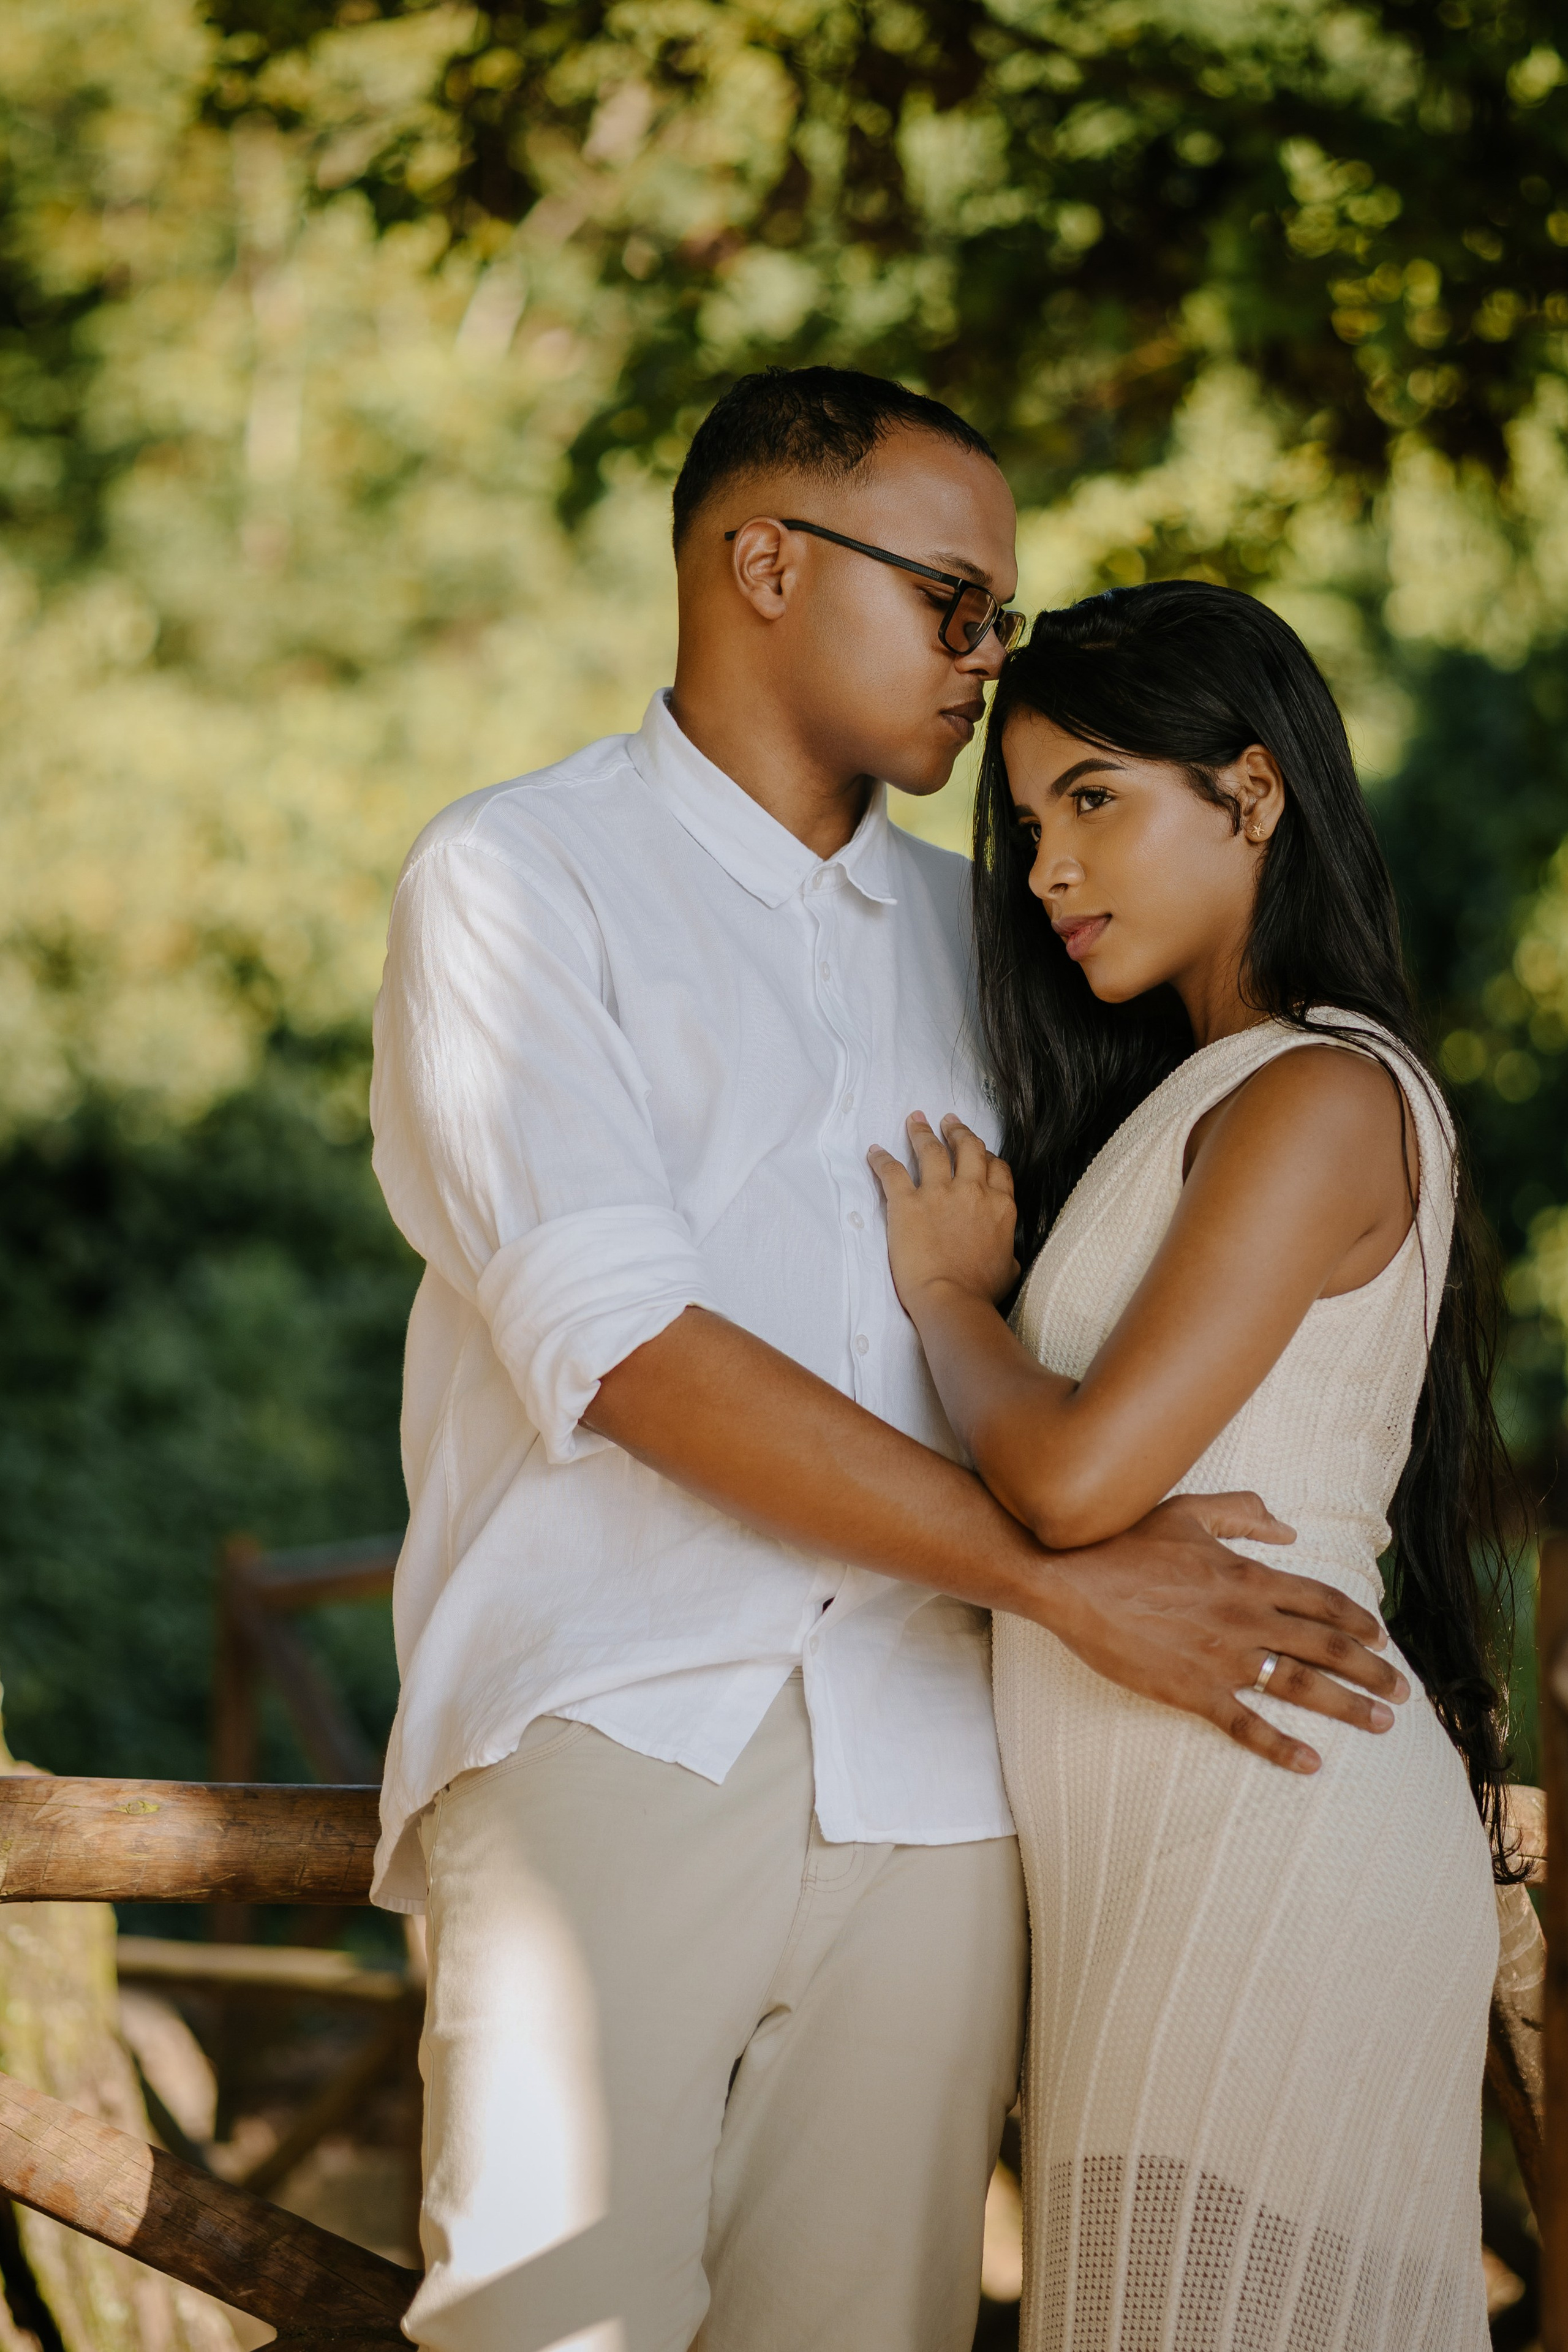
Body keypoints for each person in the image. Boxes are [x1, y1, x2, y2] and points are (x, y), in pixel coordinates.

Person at [368, 371, 1405, 2352]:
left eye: (1000, 616)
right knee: (545, 2331)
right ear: (765, 563)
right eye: (955, 602)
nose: (989, 661)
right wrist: (1061, 1579)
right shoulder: (519, 880)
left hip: (951, 1781)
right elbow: (630, 1354)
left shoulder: (1012, 934)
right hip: (623, 1718)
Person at [870, 580, 1514, 2350]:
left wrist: (949, 1299)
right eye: (1025, 823)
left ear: (1253, 791)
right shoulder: (1200, 1090)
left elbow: (1074, 1483)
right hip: (1158, 1870)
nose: (1051, 869)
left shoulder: (1316, 1095)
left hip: (1275, 1840)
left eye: (1097, 800)